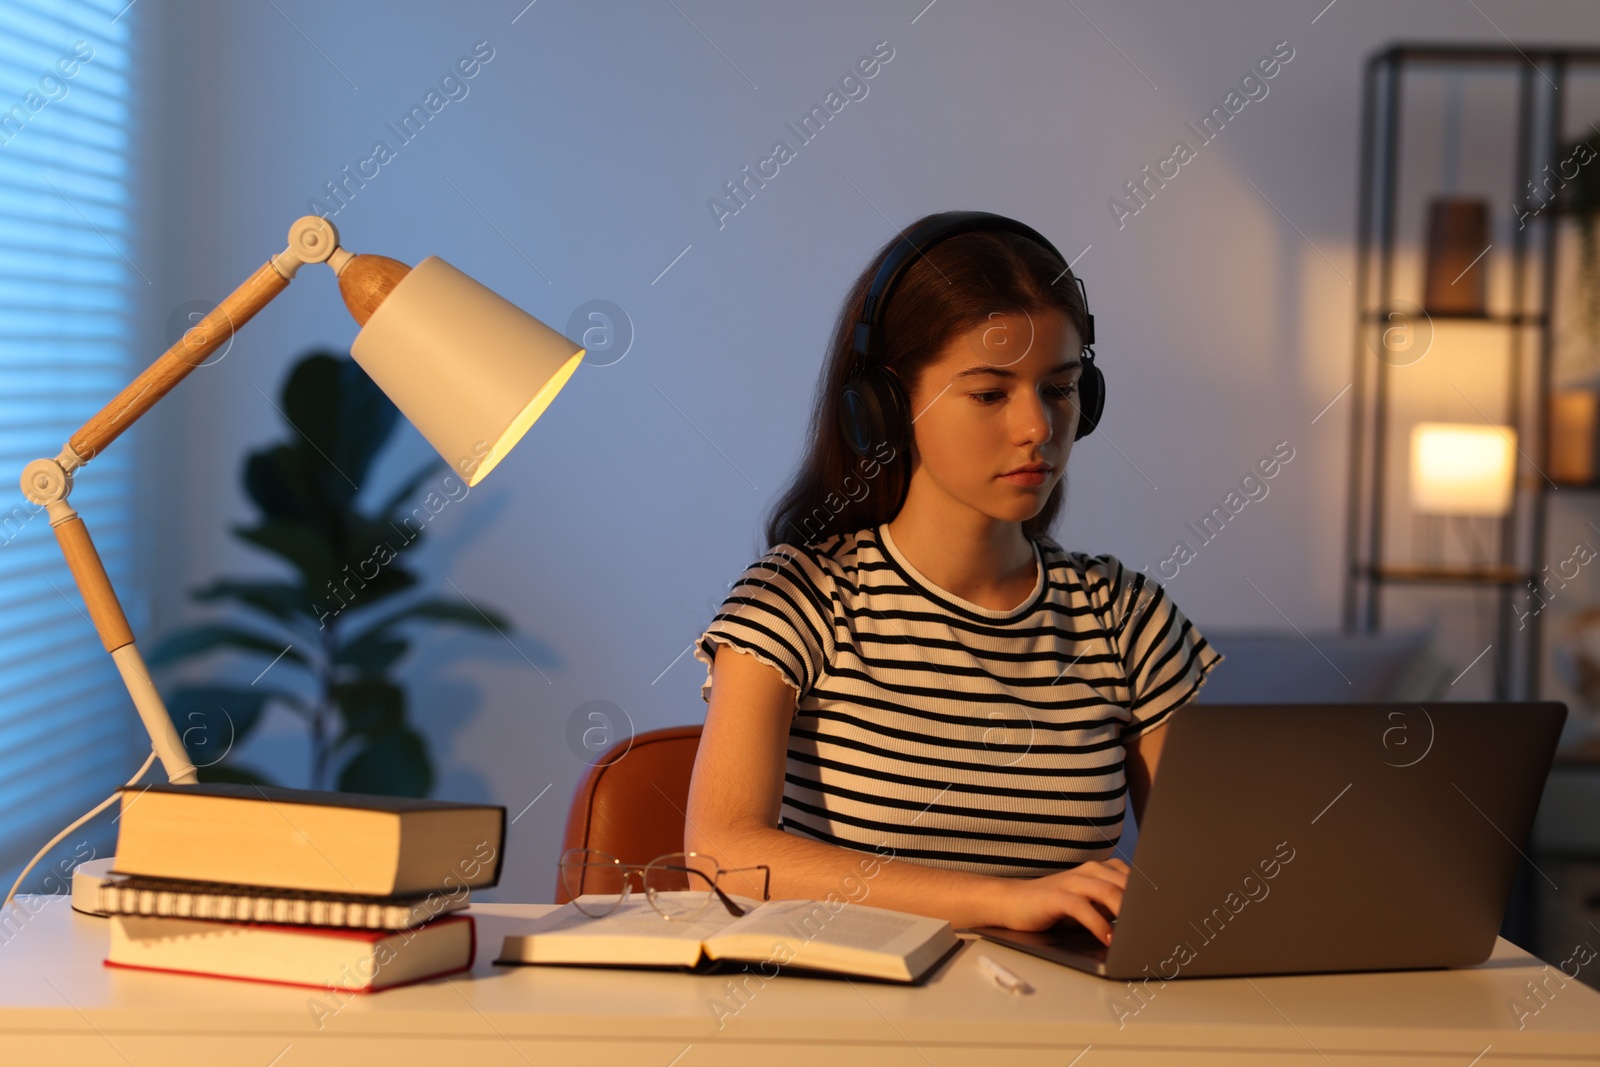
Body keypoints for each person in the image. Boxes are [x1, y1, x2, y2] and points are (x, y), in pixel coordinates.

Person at [684, 211, 1222, 944]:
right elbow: (722, 856)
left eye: (1060, 389)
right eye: (990, 393)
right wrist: (1001, 899)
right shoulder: (798, 598)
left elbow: (1213, 880)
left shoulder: (1127, 618)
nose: (1038, 427)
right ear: (885, 407)